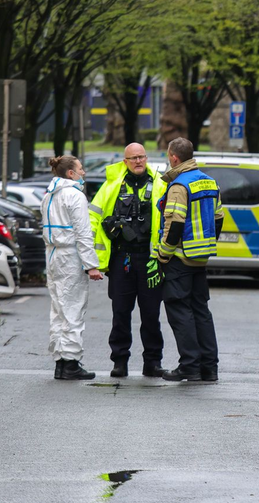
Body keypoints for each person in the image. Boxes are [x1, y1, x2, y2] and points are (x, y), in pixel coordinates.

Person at [90, 143, 166, 378]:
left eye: (141, 157)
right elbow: (93, 217)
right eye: (133, 158)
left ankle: (152, 362)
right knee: (121, 313)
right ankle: (119, 361)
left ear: (147, 158)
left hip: (150, 259)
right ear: (125, 161)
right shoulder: (111, 185)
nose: (138, 161)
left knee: (151, 314)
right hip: (121, 258)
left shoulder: (161, 184)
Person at [156, 137, 224, 382]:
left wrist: (164, 254)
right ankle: (209, 368)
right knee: (201, 311)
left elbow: (174, 224)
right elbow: (218, 219)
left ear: (174, 157)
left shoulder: (179, 186)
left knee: (179, 311)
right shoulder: (209, 181)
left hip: (180, 258)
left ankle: (189, 366)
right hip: (201, 257)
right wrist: (205, 245)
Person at [40, 155, 103, 381]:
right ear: (70, 174)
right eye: (80, 169)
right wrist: (91, 265)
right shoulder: (75, 196)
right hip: (70, 256)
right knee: (73, 309)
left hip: (53, 255)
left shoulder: (49, 195)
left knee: (58, 310)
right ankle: (71, 363)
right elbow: (83, 233)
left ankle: (60, 361)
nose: (83, 172)